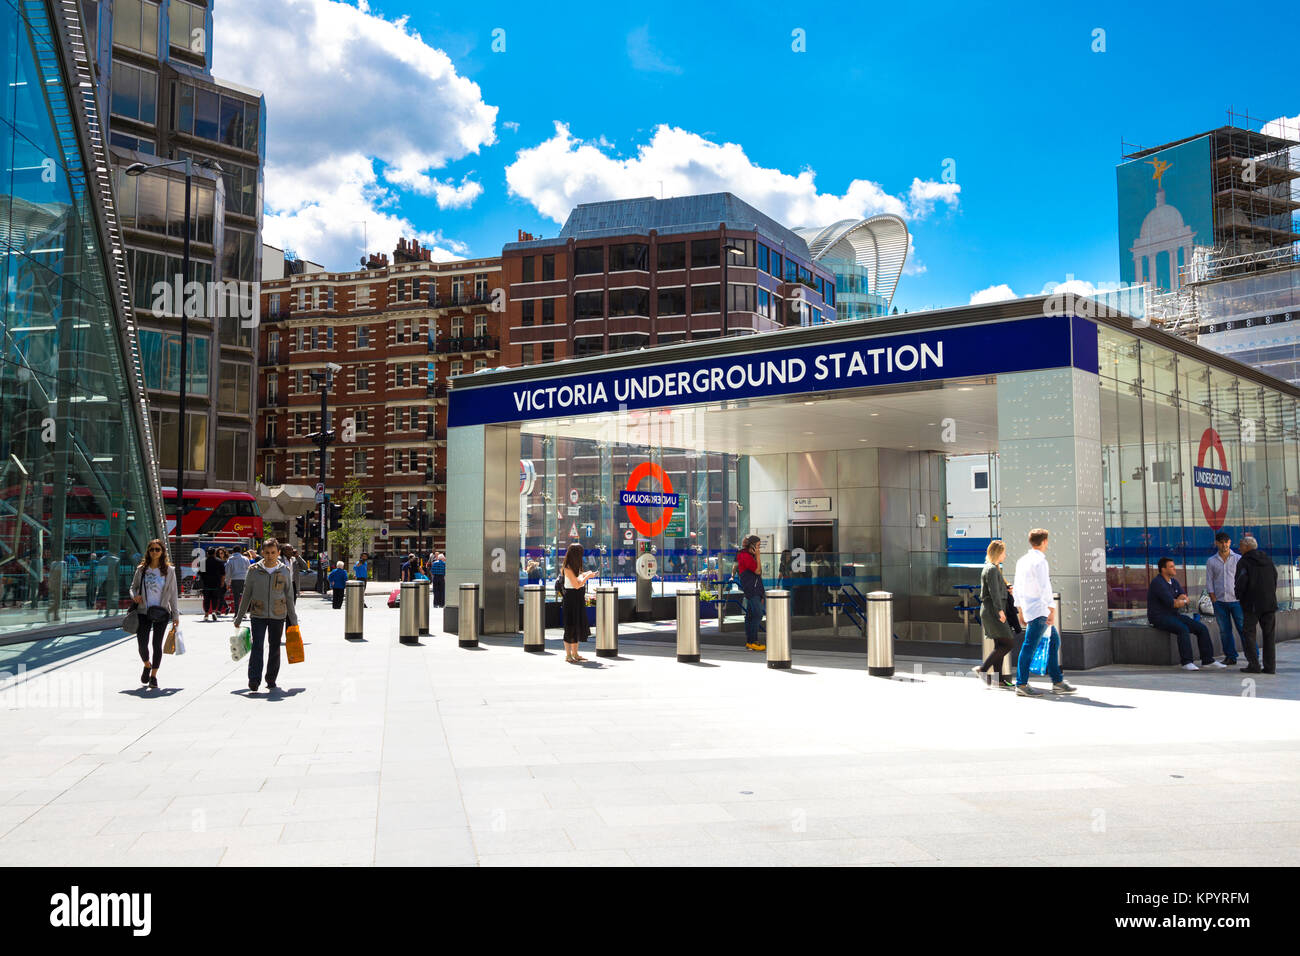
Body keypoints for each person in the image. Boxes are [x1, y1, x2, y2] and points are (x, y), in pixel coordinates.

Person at [1011, 528, 1076, 696]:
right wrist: (1051, 609)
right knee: (1029, 646)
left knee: (1054, 642)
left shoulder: (1022, 561)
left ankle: (1057, 681)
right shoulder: (1040, 562)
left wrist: (1020, 610)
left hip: (1030, 609)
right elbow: (1044, 587)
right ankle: (1022, 684)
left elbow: (1016, 587)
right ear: (1044, 541)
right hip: (1040, 610)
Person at [233, 537, 298, 693]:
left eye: (273, 552)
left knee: (275, 647)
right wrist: (239, 616)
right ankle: (254, 679)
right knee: (257, 646)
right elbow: (247, 594)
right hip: (258, 614)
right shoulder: (254, 570)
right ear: (262, 553)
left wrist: (293, 620)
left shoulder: (284, 570)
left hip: (278, 614)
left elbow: (289, 596)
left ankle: (271, 678)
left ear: (278, 552)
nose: (270, 555)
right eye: (267, 552)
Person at [1147, 556, 1218, 671]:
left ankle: (1208, 660)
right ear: (1163, 569)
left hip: (1173, 615)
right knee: (1183, 629)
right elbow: (1173, 604)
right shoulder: (1158, 583)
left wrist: (1180, 601)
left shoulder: (1173, 582)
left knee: (1201, 628)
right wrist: (1179, 601)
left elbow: (1184, 597)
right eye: (1171, 567)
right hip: (1159, 617)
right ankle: (1186, 662)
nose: (1175, 569)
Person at [128, 539, 179, 691]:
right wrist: (134, 596)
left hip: (162, 612)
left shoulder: (169, 571)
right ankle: (147, 665)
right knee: (142, 644)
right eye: (152, 549)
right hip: (143, 611)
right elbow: (133, 587)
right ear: (148, 552)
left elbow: (173, 594)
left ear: (163, 552)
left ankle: (154, 676)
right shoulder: (142, 569)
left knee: (157, 644)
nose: (155, 552)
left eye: (158, 549)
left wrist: (175, 615)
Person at [973, 540, 1016, 689]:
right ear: (998, 552)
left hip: (992, 610)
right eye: (1003, 552)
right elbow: (994, 592)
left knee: (1000, 644)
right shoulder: (991, 569)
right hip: (993, 611)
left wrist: (1007, 588)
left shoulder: (993, 568)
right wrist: (1000, 611)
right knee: (1008, 643)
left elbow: (997, 589)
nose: (1005, 555)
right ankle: (983, 669)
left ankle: (999, 680)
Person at [1236, 535, 1278, 674]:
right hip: (1269, 603)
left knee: (1248, 633)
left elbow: (1241, 581)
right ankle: (1270, 666)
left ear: (1247, 547)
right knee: (1269, 636)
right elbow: (1274, 577)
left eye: (1241, 545)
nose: (1239, 548)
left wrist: (1239, 596)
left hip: (1251, 604)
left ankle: (1254, 665)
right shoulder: (1267, 559)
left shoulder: (1244, 561)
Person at [1205, 532, 1242, 666]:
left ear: (1230, 542)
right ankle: (1231, 656)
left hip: (1237, 601)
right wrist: (1213, 597)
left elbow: (1243, 578)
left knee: (1243, 629)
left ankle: (1252, 656)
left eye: (1226, 542)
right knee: (1224, 631)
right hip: (1220, 601)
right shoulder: (1211, 561)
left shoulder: (1238, 558)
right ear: (1216, 543)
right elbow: (1209, 580)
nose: (1224, 544)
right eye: (1221, 542)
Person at [559, 543, 596, 664]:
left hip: (578, 598)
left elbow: (578, 580)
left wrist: (585, 574)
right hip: (571, 599)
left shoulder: (576, 567)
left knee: (577, 625)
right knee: (569, 626)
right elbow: (576, 585)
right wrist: (588, 576)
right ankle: (568, 655)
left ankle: (575, 653)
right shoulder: (567, 567)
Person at [737, 535, 766, 652]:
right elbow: (758, 571)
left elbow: (759, 574)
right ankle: (753, 641)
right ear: (752, 545)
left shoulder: (750, 556)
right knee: (758, 614)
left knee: (750, 615)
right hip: (751, 590)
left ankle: (750, 642)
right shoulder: (744, 556)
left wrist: (762, 593)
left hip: (756, 590)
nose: (759, 548)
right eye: (758, 546)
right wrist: (758, 556)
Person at [199, 546, 226, 622]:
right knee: (215, 598)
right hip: (216, 583)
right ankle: (214, 611)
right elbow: (223, 574)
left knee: (206, 599)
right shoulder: (220, 562)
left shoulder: (202, 562)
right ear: (214, 553)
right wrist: (222, 583)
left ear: (207, 553)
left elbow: (200, 574)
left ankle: (206, 614)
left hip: (206, 584)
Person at [226, 546, 250, 619]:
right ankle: (243, 613)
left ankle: (236, 614)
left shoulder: (230, 560)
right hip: (244, 580)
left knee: (236, 598)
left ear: (233, 551)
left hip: (235, 580)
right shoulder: (245, 559)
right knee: (244, 598)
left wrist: (227, 582)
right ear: (241, 551)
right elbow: (249, 569)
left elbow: (228, 572)